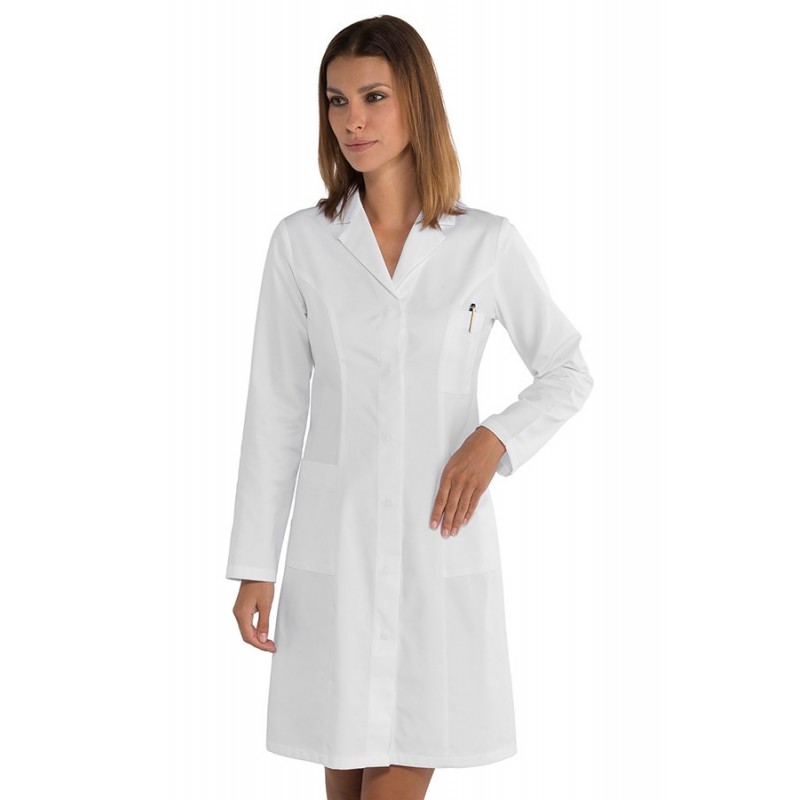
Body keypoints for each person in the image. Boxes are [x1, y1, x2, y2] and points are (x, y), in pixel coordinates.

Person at [226, 14, 594, 800]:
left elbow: (567, 369)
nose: (351, 120)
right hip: (338, 550)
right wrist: (255, 564)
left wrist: (494, 440)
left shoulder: (484, 244)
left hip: (437, 546)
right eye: (336, 101)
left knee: (404, 754)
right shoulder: (301, 244)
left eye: (373, 97)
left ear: (416, 103)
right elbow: (276, 407)